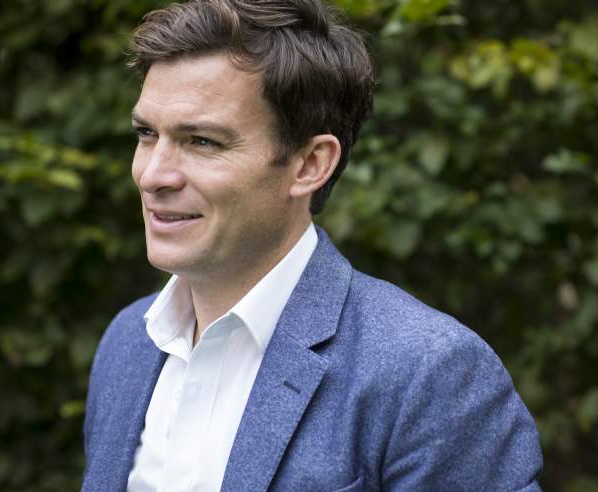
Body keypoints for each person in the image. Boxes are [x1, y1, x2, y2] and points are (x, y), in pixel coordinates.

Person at [81, 0, 543, 490]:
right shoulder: (128, 341)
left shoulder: (426, 374)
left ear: (310, 164)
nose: (152, 175)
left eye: (201, 141)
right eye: (146, 134)